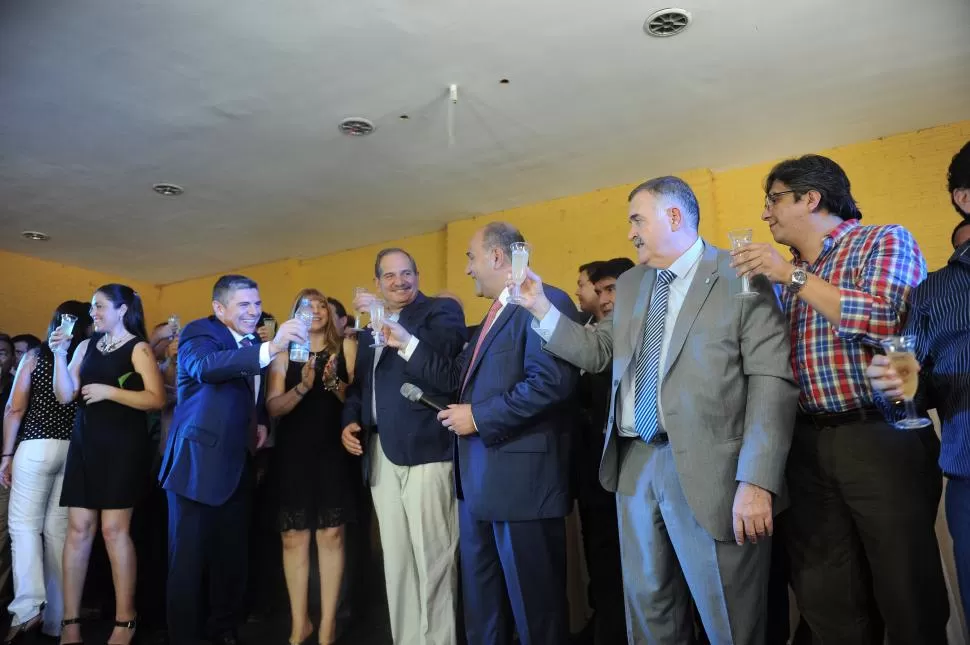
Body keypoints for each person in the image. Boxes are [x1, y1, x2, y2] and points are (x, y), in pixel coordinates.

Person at [517, 177, 797, 645]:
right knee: (649, 615)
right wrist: (539, 306)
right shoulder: (629, 284)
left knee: (729, 620)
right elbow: (599, 352)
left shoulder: (741, 273)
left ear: (673, 217)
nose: (630, 233)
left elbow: (771, 381)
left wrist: (757, 481)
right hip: (635, 465)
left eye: (636, 219)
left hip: (719, 474)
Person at [731, 154, 948, 644]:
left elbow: (890, 322)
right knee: (825, 593)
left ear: (811, 198)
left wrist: (793, 278)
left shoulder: (883, 240)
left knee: (904, 587)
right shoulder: (784, 276)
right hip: (804, 445)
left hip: (879, 434)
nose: (766, 214)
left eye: (774, 200)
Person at [382, 224, 581, 645]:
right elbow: (456, 378)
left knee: (536, 614)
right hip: (476, 488)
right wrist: (405, 343)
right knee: (484, 610)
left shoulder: (546, 301)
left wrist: (480, 418)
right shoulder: (491, 317)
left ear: (496, 257)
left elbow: (549, 383)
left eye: (471, 258)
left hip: (523, 489)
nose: (468, 270)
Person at [159, 275, 304, 645]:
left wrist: (256, 421)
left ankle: (224, 630)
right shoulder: (199, 333)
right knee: (187, 566)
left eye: (256, 304)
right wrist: (272, 348)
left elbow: (246, 394)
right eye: (243, 305)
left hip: (238, 464)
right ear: (219, 308)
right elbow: (206, 368)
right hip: (196, 466)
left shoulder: (254, 342)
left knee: (232, 560)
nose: (253, 311)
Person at [865, 138, 970, 628]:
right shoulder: (935, 291)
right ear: (964, 199)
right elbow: (911, 390)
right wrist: (898, 385)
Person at [340, 248, 466, 645]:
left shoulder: (440, 312)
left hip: (427, 449)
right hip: (379, 452)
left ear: (417, 274)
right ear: (377, 281)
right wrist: (350, 420)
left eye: (406, 273)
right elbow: (362, 389)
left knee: (434, 559)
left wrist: (394, 326)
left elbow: (446, 375)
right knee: (396, 563)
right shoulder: (365, 333)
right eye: (390, 276)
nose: (399, 281)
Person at [50, 286, 165, 645]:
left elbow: (156, 398)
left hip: (122, 447)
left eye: (99, 306)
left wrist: (109, 392)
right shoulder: (85, 346)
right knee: (79, 530)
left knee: (115, 532)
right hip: (86, 444)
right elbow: (65, 394)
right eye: (92, 307)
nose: (93, 312)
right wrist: (59, 354)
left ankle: (125, 619)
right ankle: (70, 622)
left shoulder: (139, 348)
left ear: (122, 309)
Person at [266, 288, 357, 645]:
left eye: (322, 305)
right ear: (296, 314)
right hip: (293, 453)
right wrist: (303, 387)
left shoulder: (345, 348)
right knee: (294, 538)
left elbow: (353, 399)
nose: (316, 310)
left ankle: (328, 626)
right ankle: (299, 623)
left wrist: (332, 381)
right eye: (308, 306)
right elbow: (273, 408)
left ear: (331, 314)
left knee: (332, 535)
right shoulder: (283, 351)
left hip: (333, 450)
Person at [0, 304, 91, 643]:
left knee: (23, 527)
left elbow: (15, 407)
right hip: (72, 451)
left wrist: (6, 454)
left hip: (36, 446)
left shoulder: (36, 356)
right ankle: (57, 619)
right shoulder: (87, 354)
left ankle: (27, 609)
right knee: (58, 534)